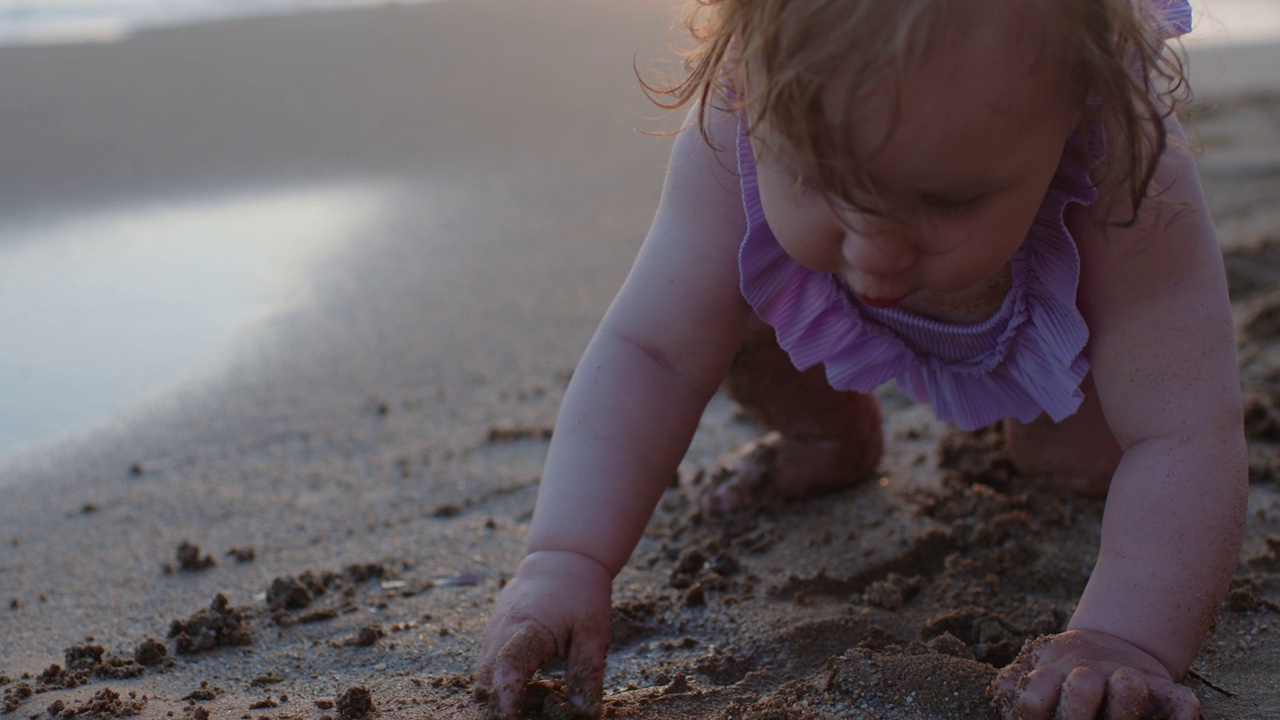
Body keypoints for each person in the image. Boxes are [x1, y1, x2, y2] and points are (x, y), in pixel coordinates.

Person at [474, 0, 1248, 717]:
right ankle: (827, 434)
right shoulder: (737, 121)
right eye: (814, 178)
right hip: (808, 313)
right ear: (745, 73)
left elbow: (1183, 432)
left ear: (1081, 101)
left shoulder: (1127, 169)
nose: (874, 252)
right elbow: (653, 355)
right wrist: (566, 557)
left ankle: (1051, 434)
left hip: (1059, 332)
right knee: (720, 320)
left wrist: (1125, 638)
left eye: (948, 200)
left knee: (1085, 465)